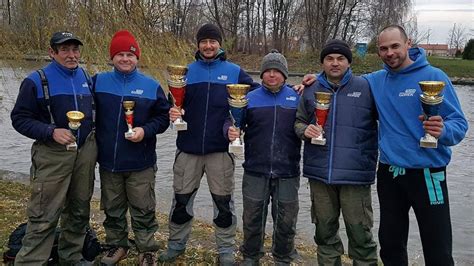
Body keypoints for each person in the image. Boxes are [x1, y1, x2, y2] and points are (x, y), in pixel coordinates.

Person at [363, 25, 468, 266]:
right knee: (390, 245)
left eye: (395, 46)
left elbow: (459, 124)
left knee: (438, 249)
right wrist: (313, 80)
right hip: (390, 173)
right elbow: (343, 79)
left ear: (408, 43)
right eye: (383, 48)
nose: (390, 53)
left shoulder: (434, 77)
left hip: (428, 174)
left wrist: (443, 131)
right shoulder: (376, 81)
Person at [158, 23, 256, 265]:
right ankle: (176, 244)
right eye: (204, 41)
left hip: (220, 151)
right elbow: (174, 104)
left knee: (224, 204)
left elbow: (258, 96)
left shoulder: (235, 72)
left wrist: (299, 87)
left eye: (213, 41)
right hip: (188, 149)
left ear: (220, 44)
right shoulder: (185, 72)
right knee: (181, 201)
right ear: (198, 44)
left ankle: (225, 249)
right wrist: (173, 112)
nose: (209, 45)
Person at [10, 31, 97, 265]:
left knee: (79, 210)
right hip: (52, 155)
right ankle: (31, 261)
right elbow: (19, 118)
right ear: (52, 52)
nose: (71, 55)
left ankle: (71, 257)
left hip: (84, 154)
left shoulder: (86, 77)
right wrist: (50, 131)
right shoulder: (36, 80)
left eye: (75, 49)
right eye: (65, 50)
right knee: (44, 214)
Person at [294, 39, 378, 265]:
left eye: (340, 58)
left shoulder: (367, 87)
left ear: (349, 62)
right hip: (320, 175)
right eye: (329, 59)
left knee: (361, 235)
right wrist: (306, 131)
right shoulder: (310, 89)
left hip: (355, 176)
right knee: (325, 234)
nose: (335, 63)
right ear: (322, 63)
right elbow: (298, 122)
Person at [93, 30, 170, 266]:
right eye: (120, 54)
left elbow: (163, 119)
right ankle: (117, 245)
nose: (125, 59)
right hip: (109, 161)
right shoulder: (98, 82)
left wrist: (144, 131)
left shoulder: (151, 85)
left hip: (141, 162)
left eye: (130, 54)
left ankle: (146, 249)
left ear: (137, 58)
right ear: (112, 57)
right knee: (113, 208)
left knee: (143, 208)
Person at [229, 50, 301, 265]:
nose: (272, 75)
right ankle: (251, 255)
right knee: (252, 218)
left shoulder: (297, 97)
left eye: (276, 71)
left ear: (285, 75)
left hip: (288, 170)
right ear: (261, 75)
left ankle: (283, 256)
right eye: (267, 71)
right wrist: (231, 130)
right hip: (255, 169)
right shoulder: (248, 98)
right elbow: (232, 122)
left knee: (286, 220)